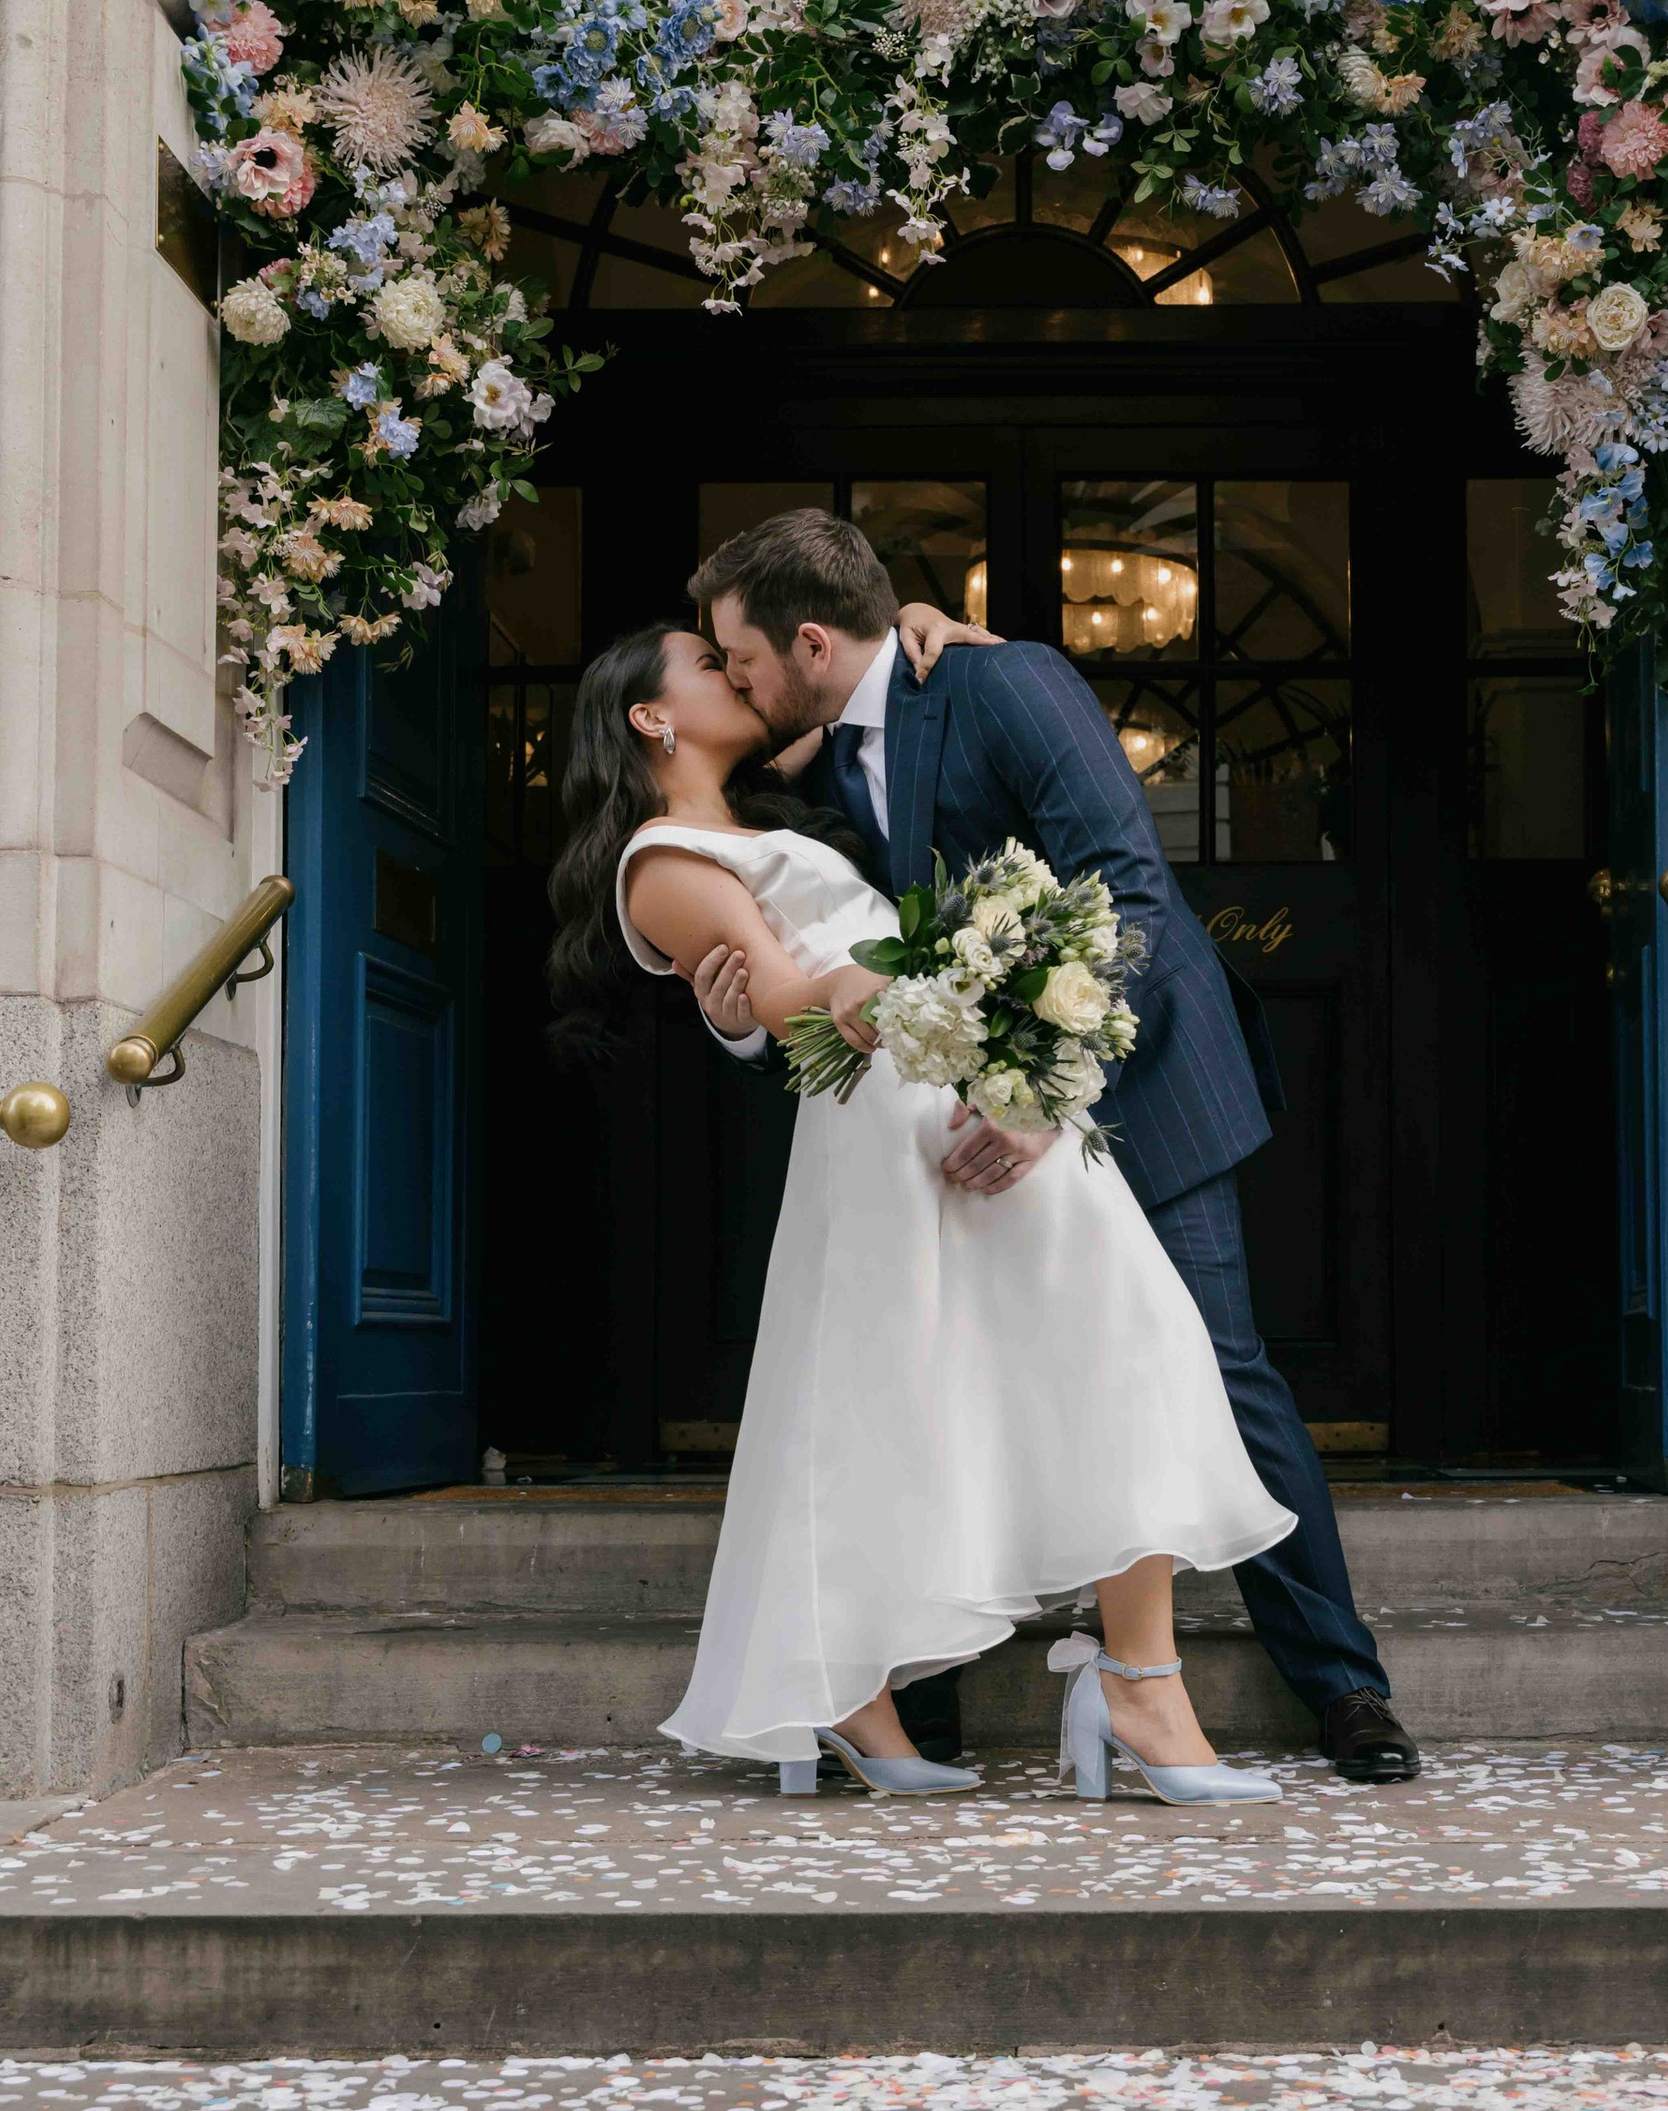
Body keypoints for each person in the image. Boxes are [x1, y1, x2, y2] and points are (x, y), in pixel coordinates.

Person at [688, 507, 1422, 1784]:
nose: (734, 683)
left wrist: (1047, 1090)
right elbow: (824, 960)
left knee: (1216, 1367)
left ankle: (1343, 1687)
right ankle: (982, 1693)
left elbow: (1129, 889)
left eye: (740, 658)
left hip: (1130, 1085)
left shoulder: (1002, 681)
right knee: (979, 1387)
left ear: (809, 640)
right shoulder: (798, 773)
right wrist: (748, 1027)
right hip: (964, 1126)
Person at [543, 617, 1295, 1804]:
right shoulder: (664, 858)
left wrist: (917, 621)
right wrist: (903, 968)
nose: (737, 675)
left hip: (966, 1094)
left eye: (739, 653)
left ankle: (1136, 1680)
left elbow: (844, 676)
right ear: (653, 715)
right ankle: (854, 1696)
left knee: (1132, 1345)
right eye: (709, 665)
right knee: (877, 1408)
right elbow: (792, 1008)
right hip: (892, 1135)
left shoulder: (765, 810)